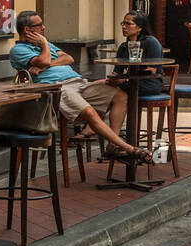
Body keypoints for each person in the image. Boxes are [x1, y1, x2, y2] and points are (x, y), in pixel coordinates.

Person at [10, 9, 152, 163]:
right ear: (27, 30)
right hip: (57, 88)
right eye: (40, 25)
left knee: (120, 94)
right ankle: (128, 148)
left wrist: (46, 64)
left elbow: (68, 58)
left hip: (78, 82)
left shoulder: (47, 44)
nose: (43, 28)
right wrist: (44, 45)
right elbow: (43, 60)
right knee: (90, 112)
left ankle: (112, 145)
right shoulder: (19, 50)